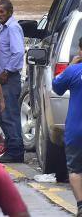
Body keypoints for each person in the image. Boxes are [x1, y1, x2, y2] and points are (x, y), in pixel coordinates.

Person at [0, 0, 25, 163]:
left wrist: (6, 71)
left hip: (9, 78)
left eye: (2, 12)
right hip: (2, 78)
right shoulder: (3, 28)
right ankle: (12, 148)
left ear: (10, 12)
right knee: (4, 114)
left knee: (9, 114)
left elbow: (19, 52)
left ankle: (16, 151)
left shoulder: (12, 28)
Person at [53, 44, 82, 214]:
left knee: (76, 169)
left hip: (76, 130)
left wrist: (71, 66)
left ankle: (80, 205)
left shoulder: (74, 71)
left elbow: (57, 86)